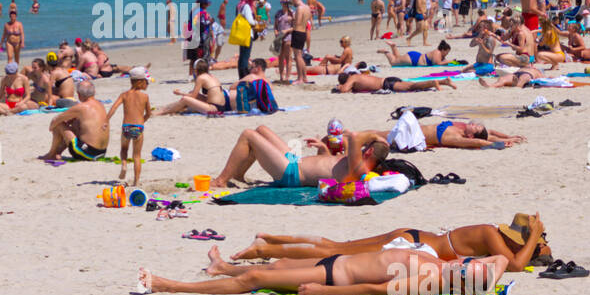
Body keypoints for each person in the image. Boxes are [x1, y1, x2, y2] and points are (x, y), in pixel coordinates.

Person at [139, 240, 506, 295]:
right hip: (335, 264)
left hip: (333, 278)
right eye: (470, 262)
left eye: (466, 269)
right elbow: (500, 262)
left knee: (256, 279)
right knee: (279, 264)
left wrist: (325, 292)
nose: (466, 262)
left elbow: (375, 290)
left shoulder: (431, 280)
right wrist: (481, 274)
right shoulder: (446, 266)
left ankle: (170, 286)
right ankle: (223, 266)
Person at [233, 212, 550, 269]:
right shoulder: (490, 234)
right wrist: (535, 235)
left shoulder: (491, 236)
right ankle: (264, 248)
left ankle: (269, 242)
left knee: (336, 247)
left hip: (412, 236)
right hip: (411, 244)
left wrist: (536, 240)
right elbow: (517, 266)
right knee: (333, 253)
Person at [213, 126, 388, 189]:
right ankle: (237, 175)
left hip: (291, 173)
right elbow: (329, 166)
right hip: (296, 162)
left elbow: (354, 136)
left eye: (367, 146)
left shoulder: (358, 168)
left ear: (369, 152)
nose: (363, 146)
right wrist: (323, 148)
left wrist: (374, 136)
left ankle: (221, 180)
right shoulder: (355, 162)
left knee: (248, 135)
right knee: (261, 130)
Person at [40, 80, 110, 160]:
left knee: (59, 124)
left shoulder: (81, 107)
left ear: (79, 95)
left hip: (87, 153)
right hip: (101, 153)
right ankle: (58, 152)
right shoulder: (100, 105)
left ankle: (51, 154)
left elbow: (55, 120)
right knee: (76, 122)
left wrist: (54, 128)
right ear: (94, 92)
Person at [352, 118, 525, 150]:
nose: (475, 124)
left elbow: (481, 142)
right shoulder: (462, 127)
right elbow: (491, 133)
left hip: (411, 138)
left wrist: (499, 144)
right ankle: (353, 135)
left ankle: (353, 137)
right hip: (414, 128)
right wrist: (510, 137)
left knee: (379, 136)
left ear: (471, 136)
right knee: (379, 133)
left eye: (476, 128)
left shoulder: (457, 138)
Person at [108, 66, 152, 185]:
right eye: (146, 82)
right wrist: (142, 121)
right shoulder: (144, 96)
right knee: (137, 156)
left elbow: (114, 108)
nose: (147, 84)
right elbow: (149, 113)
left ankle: (124, 165)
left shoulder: (124, 95)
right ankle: (136, 181)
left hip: (126, 127)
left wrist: (106, 120)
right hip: (138, 128)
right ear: (139, 82)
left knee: (124, 149)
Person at [157, 58, 230, 114]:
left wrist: (180, 93)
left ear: (196, 70)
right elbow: (198, 95)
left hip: (213, 109)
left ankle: (162, 112)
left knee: (185, 99)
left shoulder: (200, 78)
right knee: (192, 93)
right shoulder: (211, 76)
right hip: (222, 107)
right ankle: (168, 107)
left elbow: (192, 97)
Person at [332, 68, 454, 93]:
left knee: (411, 87)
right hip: (388, 79)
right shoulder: (356, 75)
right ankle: (444, 81)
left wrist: (339, 87)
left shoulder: (352, 79)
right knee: (412, 84)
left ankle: (433, 82)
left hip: (387, 84)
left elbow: (344, 90)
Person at [232, 0, 260, 78]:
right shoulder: (247, 6)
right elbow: (250, 21)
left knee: (242, 56)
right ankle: (244, 75)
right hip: (247, 34)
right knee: (245, 56)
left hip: (242, 34)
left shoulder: (240, 6)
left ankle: (241, 75)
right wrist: (257, 23)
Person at [183, 0, 211, 75]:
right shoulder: (201, 12)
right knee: (200, 57)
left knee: (193, 58)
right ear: (203, 4)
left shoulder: (193, 10)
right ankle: (200, 74)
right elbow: (202, 25)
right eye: (206, 4)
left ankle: (190, 75)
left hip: (191, 35)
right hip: (198, 37)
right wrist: (210, 22)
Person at [289, 0, 312, 84]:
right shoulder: (307, 7)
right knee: (300, 56)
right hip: (303, 32)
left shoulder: (299, 8)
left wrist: (292, 18)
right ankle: (304, 77)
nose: (292, 4)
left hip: (298, 32)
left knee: (297, 57)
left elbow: (297, 23)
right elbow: (306, 21)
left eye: (292, 1)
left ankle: (300, 78)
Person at [377, 39, 452, 67]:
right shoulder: (437, 53)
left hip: (415, 57)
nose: (447, 54)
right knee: (393, 62)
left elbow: (444, 62)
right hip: (414, 59)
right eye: (447, 52)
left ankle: (393, 46)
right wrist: (451, 61)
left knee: (398, 58)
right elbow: (438, 63)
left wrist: (455, 62)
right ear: (443, 50)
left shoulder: (440, 54)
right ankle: (386, 52)